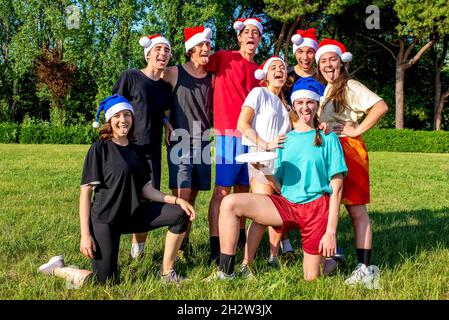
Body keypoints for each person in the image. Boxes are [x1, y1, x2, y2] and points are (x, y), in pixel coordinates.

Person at [38, 95, 195, 286]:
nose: (123, 120)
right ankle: (57, 268)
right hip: (106, 219)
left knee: (180, 214)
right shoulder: (99, 149)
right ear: (110, 120)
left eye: (127, 115)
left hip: (133, 214)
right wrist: (85, 235)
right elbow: (86, 193)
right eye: (117, 116)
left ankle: (167, 273)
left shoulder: (136, 150)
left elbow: (146, 189)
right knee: (104, 283)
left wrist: (177, 200)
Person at [208, 78, 347, 281]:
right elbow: (281, 186)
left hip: (316, 209)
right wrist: (263, 169)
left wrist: (331, 231)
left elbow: (337, 190)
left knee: (311, 277)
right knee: (230, 202)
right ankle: (226, 271)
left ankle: (334, 260)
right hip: (287, 205)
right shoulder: (286, 139)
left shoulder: (328, 138)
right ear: (294, 105)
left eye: (310, 102)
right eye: (300, 103)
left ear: (317, 105)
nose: (305, 107)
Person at [315, 38, 388, 285]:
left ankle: (365, 268)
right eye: (323, 61)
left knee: (356, 210)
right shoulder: (325, 90)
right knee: (328, 206)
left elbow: (380, 106)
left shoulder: (351, 85)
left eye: (332, 60)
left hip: (350, 150)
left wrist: (357, 131)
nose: (328, 65)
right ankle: (331, 256)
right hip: (330, 151)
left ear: (341, 63)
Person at [204, 17, 263, 264]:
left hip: (251, 137)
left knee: (243, 191)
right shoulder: (223, 57)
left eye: (256, 33)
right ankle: (215, 244)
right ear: (239, 36)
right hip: (228, 135)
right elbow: (198, 66)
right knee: (222, 190)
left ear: (260, 40)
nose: (251, 36)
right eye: (246, 32)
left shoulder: (260, 71)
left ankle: (237, 238)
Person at [112, 34, 173, 259]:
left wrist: (167, 124)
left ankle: (137, 253)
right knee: (123, 198)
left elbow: (163, 112)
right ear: (148, 53)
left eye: (166, 51)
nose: (162, 54)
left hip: (152, 152)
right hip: (128, 149)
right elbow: (115, 107)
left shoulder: (165, 87)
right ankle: (109, 243)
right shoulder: (131, 76)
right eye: (158, 49)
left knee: (148, 199)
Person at [162, 25, 214, 258]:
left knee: (192, 196)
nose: (206, 48)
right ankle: (172, 253)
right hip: (180, 141)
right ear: (190, 49)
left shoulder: (212, 77)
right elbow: (153, 93)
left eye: (208, 45)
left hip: (203, 140)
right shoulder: (173, 72)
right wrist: (164, 121)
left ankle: (185, 243)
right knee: (181, 196)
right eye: (202, 45)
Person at [236, 56, 291, 267]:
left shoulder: (285, 105)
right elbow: (242, 124)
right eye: (274, 67)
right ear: (265, 76)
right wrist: (265, 144)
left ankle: (273, 257)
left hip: (281, 163)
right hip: (259, 158)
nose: (280, 70)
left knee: (278, 210)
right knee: (261, 212)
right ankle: (245, 264)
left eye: (283, 68)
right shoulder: (258, 93)